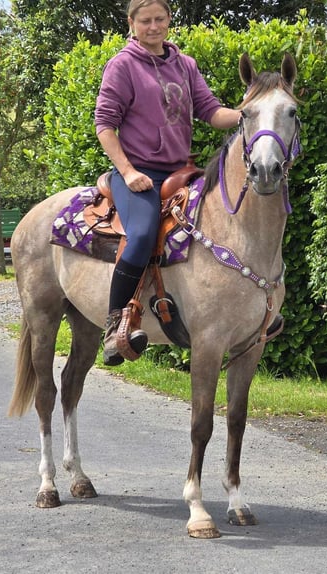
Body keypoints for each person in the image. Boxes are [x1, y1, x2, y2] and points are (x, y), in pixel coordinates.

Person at [94, 0, 241, 366]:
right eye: (145, 21)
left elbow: (210, 111)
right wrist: (127, 172)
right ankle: (115, 326)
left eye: (160, 19)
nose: (154, 27)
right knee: (142, 235)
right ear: (131, 23)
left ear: (169, 21)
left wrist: (247, 114)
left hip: (179, 172)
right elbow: (104, 126)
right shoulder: (122, 66)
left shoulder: (185, 65)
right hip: (138, 174)